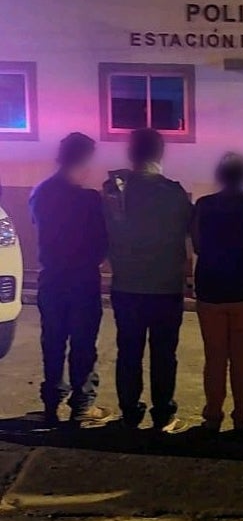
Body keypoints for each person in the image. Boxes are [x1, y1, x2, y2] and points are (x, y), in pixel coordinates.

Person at [103, 129, 193, 433]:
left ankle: (130, 413)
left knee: (129, 352)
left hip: (126, 285)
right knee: (164, 354)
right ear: (160, 152)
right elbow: (188, 233)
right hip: (165, 286)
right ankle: (163, 414)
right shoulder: (174, 192)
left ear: (131, 153)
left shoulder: (115, 191)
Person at [30, 132, 112, 428]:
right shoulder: (89, 199)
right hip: (82, 278)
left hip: (51, 275)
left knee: (52, 341)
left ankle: (51, 404)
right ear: (86, 159)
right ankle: (82, 406)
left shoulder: (41, 192)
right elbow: (103, 241)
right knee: (83, 342)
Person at [192, 153, 243, 435]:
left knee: (214, 357)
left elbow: (197, 245)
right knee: (242, 359)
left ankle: (213, 416)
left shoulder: (204, 205)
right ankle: (242, 418)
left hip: (211, 289)